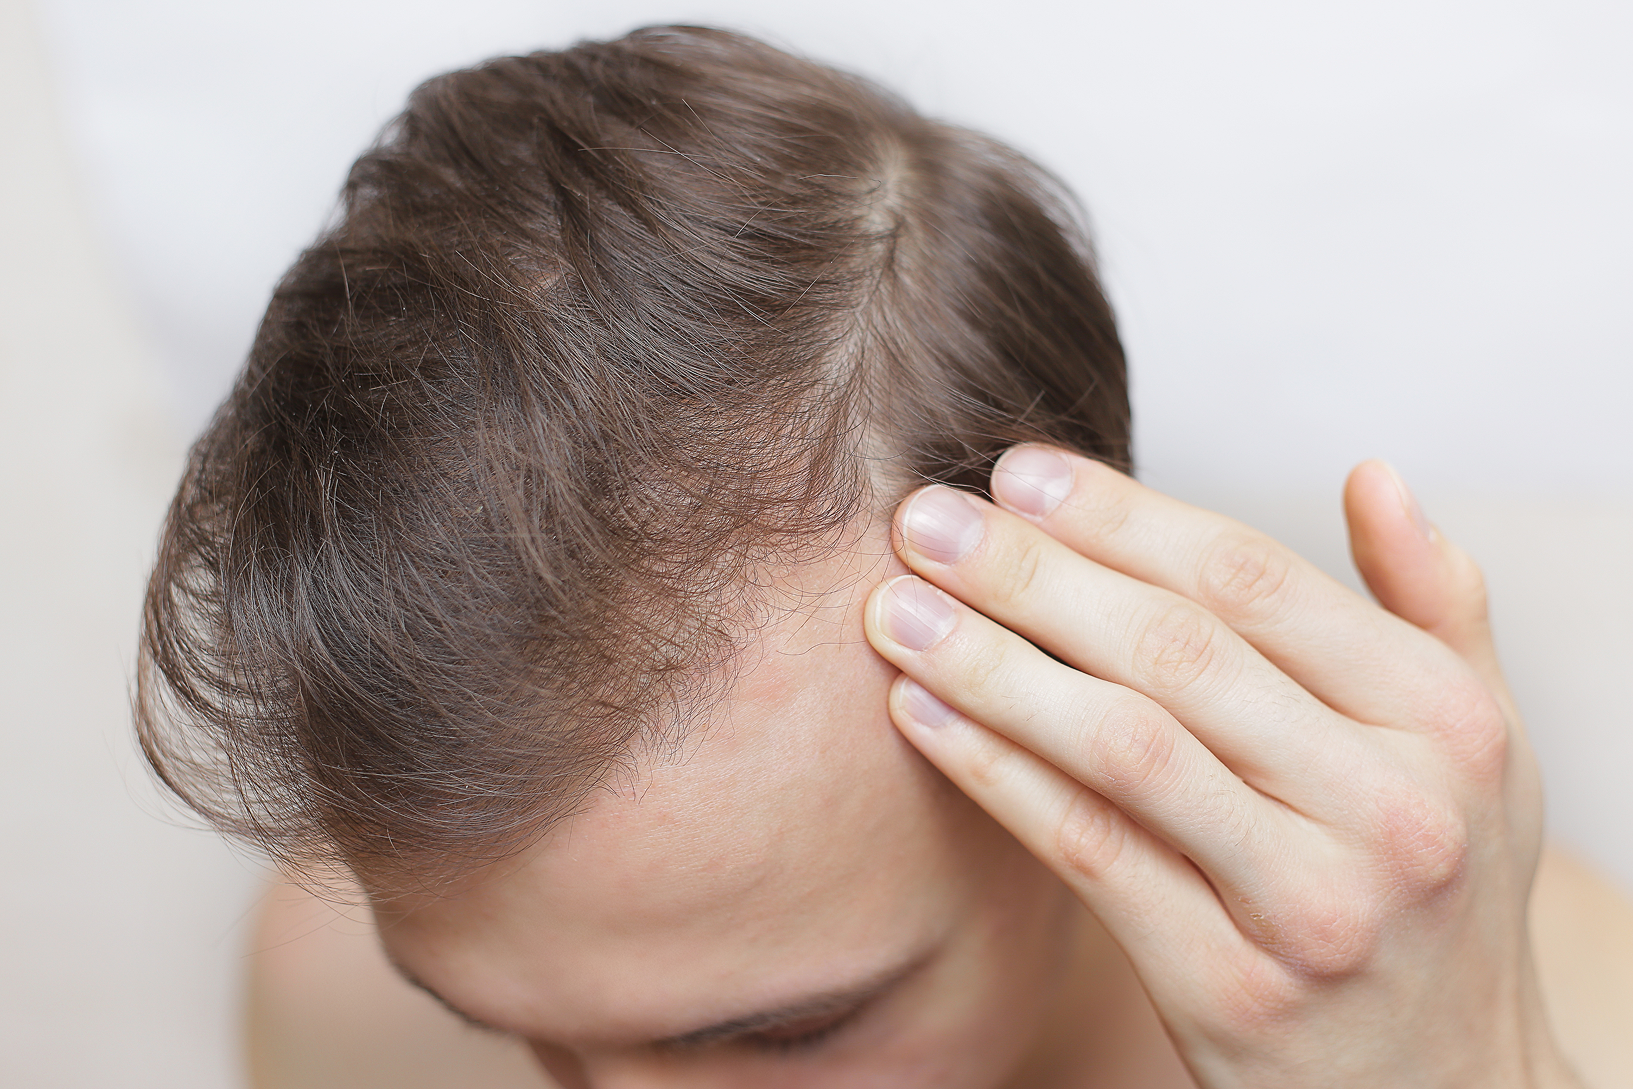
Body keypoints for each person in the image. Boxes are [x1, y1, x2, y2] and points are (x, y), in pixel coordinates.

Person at [137, 25, 1633, 1088]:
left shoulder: (1520, 1030)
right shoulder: (340, 1001)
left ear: (1100, 704)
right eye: (496, 1026)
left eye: (785, 1034)